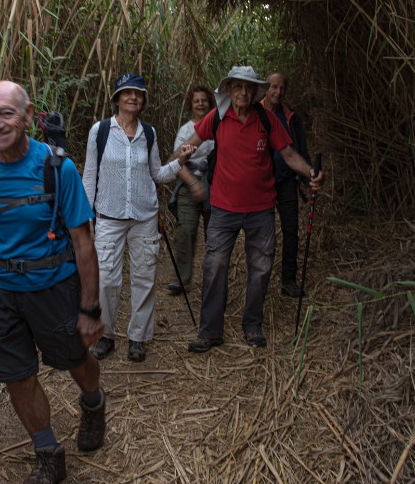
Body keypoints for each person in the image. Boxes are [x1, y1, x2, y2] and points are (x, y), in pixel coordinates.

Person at [0, 81, 105, 484]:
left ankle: (93, 402)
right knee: (17, 376)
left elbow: (83, 241)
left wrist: (89, 310)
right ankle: (48, 454)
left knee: (75, 360)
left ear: (28, 115)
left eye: (7, 114)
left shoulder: (57, 169)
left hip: (54, 288)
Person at [172, 66, 324, 353]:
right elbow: (188, 146)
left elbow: (289, 154)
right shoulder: (216, 118)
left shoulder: (267, 120)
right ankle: (209, 332)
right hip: (223, 209)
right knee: (214, 266)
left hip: (261, 209)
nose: (243, 93)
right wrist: (177, 162)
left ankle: (252, 326)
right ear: (229, 89)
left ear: (256, 92)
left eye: (249, 88)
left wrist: (311, 172)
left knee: (261, 267)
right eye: (237, 87)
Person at [81, 74, 194, 362]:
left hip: (144, 216)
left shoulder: (149, 134)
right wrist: (86, 218)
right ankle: (106, 335)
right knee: (106, 279)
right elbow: (90, 175)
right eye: (127, 93)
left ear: (143, 101)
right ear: (117, 98)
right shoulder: (101, 131)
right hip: (109, 215)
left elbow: (156, 174)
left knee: (144, 277)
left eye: (138, 94)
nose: (133, 97)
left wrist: (180, 161)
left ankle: (138, 338)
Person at [260, 72, 311, 298]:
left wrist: (309, 178)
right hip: (261, 184)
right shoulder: (255, 113)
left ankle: (288, 281)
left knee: (291, 231)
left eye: (281, 88)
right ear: (265, 89)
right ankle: (260, 281)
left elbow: (299, 150)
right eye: (273, 87)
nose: (277, 92)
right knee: (263, 234)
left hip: (286, 182)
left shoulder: (290, 117)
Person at [165, 84, 216, 296]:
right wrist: (193, 184)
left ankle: (213, 279)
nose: (201, 104)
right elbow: (176, 161)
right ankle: (182, 278)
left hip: (215, 183)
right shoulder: (186, 130)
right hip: (189, 183)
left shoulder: (218, 126)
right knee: (186, 231)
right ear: (191, 104)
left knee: (215, 234)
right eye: (197, 101)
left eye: (204, 100)